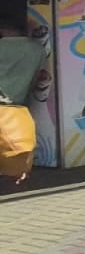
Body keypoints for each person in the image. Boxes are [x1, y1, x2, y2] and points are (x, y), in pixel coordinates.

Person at [0, 23, 47, 194]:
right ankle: (14, 176)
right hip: (15, 107)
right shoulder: (37, 49)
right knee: (13, 147)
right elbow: (36, 78)